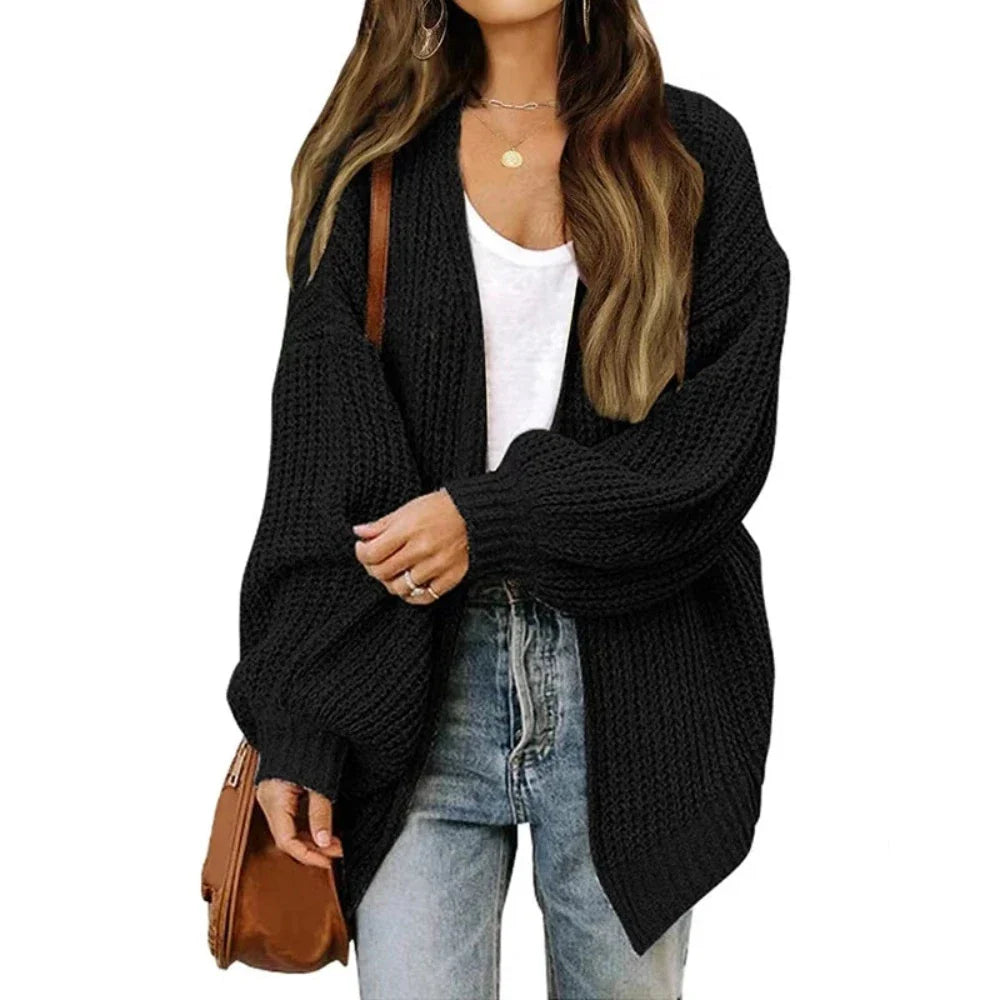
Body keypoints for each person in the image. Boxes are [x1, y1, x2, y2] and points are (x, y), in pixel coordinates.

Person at [225, 0, 790, 996]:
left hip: (636, 677)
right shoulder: (375, 165)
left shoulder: (691, 151)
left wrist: (491, 517)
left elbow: (717, 444)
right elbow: (318, 467)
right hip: (407, 679)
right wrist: (301, 721)